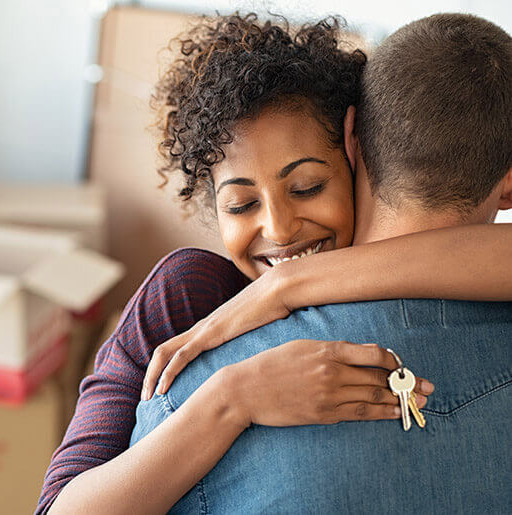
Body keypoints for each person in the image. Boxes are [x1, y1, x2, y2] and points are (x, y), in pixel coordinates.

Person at [37, 14, 512, 514]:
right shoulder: (187, 299)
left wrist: (287, 284)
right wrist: (231, 399)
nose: (281, 231)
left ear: (354, 149)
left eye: (308, 188)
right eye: (241, 206)